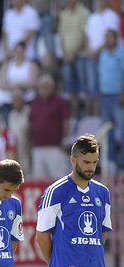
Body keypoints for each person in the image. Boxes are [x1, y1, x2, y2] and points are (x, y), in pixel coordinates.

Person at [36, 135, 113, 267]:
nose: (91, 167)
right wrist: (58, 265)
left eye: (94, 162)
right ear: (73, 160)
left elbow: (103, 232)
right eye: (86, 162)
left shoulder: (103, 192)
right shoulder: (55, 191)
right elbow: (41, 236)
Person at [29, 74, 70, 179]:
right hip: (38, 147)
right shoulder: (34, 103)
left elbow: (66, 121)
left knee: (58, 179)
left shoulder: (59, 102)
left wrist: (65, 139)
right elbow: (31, 124)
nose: (44, 89)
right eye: (42, 87)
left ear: (52, 88)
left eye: (47, 86)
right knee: (39, 180)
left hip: (55, 147)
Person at [97, 29, 124, 169]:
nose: (107, 39)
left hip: (117, 95)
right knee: (108, 131)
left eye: (109, 37)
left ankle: (122, 162)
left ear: (115, 38)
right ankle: (111, 162)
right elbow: (101, 75)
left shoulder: (121, 53)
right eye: (105, 37)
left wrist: (122, 92)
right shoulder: (103, 55)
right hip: (105, 96)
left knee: (122, 128)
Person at [59, 0, 91, 114]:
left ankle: (88, 114)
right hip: (68, 57)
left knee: (85, 86)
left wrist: (73, 54)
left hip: (81, 56)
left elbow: (85, 37)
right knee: (70, 87)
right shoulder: (64, 14)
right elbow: (61, 37)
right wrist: (65, 55)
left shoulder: (84, 12)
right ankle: (75, 114)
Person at [85, 0, 120, 101]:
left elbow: (112, 36)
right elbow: (86, 36)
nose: (100, 2)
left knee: (105, 85)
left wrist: (96, 51)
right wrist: (90, 51)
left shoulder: (112, 16)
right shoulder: (92, 17)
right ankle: (94, 113)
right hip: (92, 55)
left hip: (107, 56)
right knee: (92, 86)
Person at [7, 90, 31, 173]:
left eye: (17, 100)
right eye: (13, 101)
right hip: (16, 149)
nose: (14, 103)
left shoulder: (29, 112)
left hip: (27, 146)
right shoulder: (11, 114)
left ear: (22, 100)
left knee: (28, 170)